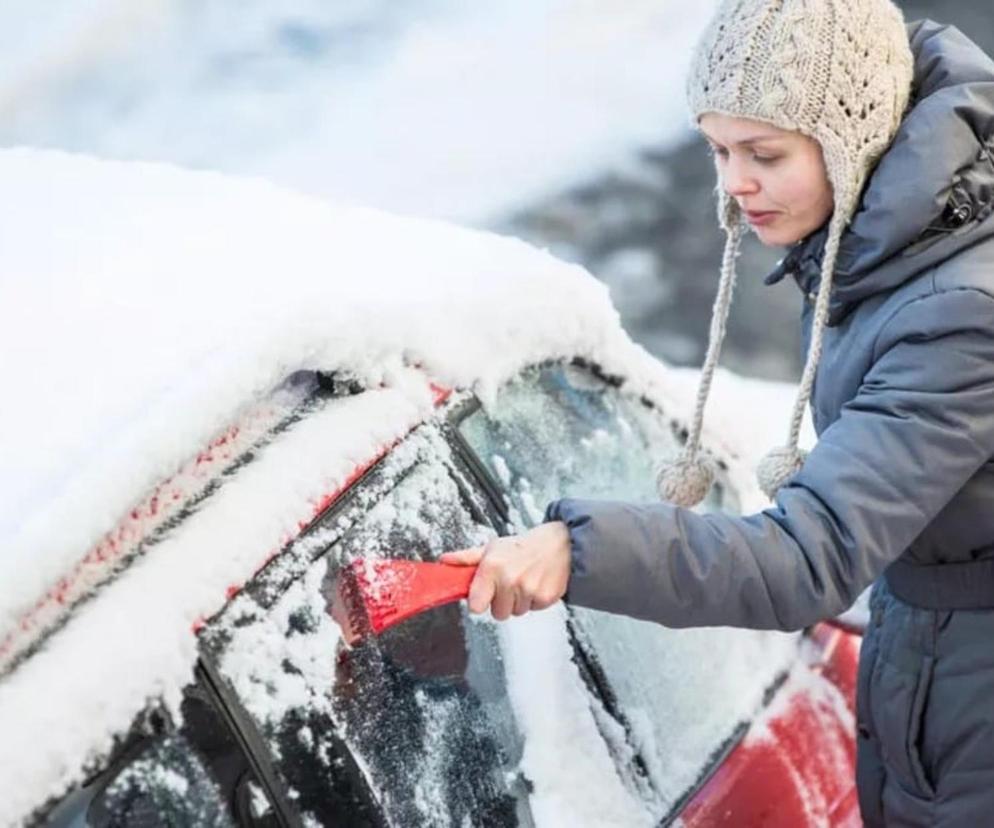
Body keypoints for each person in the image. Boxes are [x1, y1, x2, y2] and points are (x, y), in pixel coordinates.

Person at [440, 1, 994, 825]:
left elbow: (808, 558)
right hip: (936, 668)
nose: (734, 182)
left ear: (858, 137)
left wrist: (577, 548)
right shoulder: (888, 246)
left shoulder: (954, 312)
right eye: (718, 149)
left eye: (764, 153)